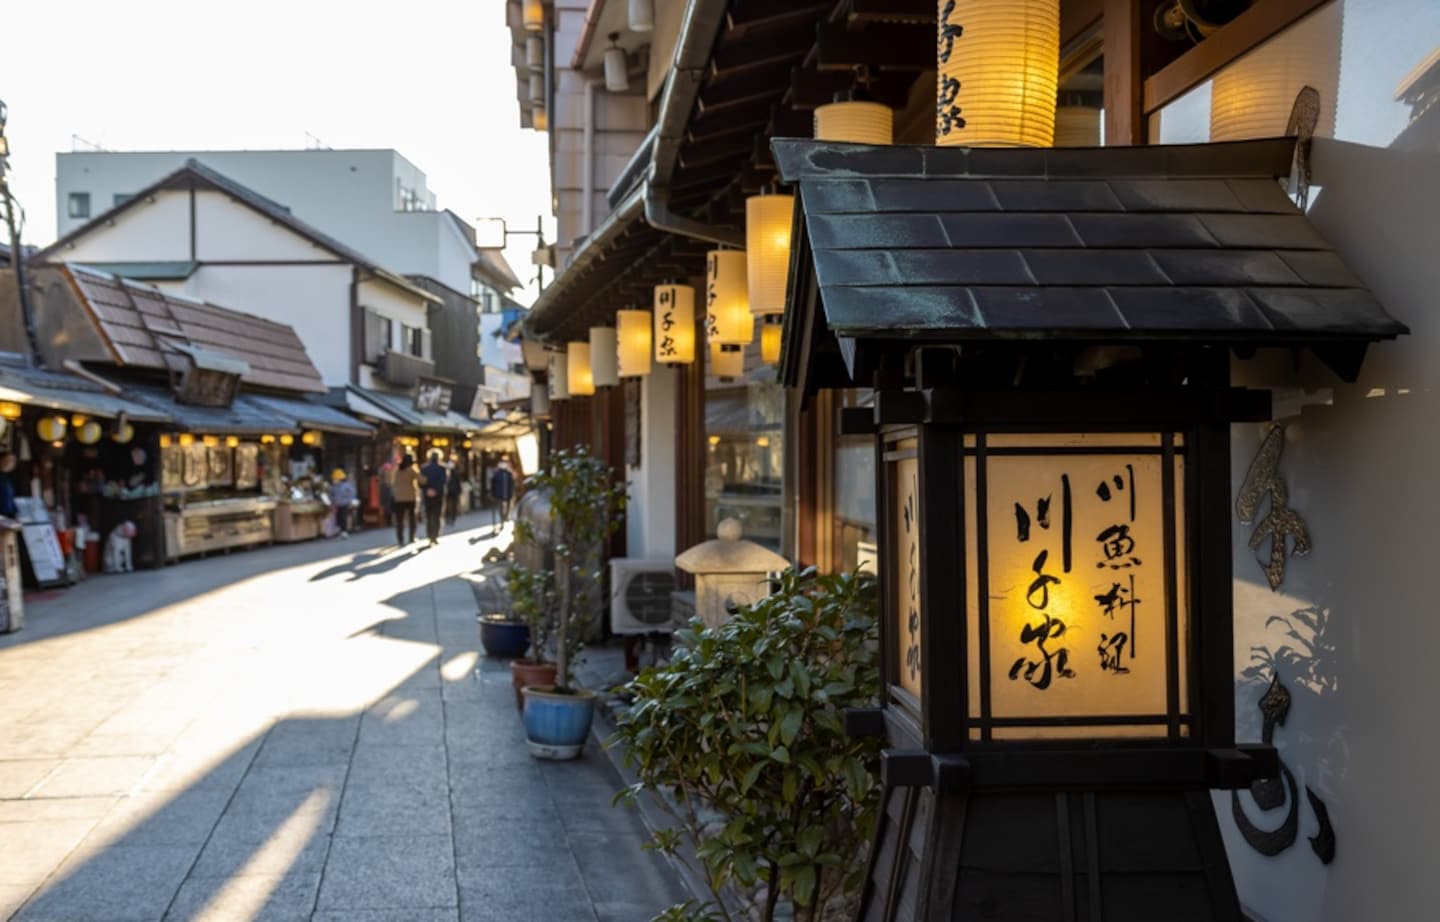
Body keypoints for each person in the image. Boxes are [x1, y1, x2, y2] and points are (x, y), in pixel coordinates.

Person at [419, 449, 449, 546]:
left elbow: (421, 482)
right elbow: (443, 481)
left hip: (427, 495)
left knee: (428, 516)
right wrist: (435, 490)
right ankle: (435, 536)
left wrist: (427, 490)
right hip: (438, 495)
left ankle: (430, 536)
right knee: (437, 515)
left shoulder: (424, 468)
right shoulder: (442, 468)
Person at [389, 454, 420, 546]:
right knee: (412, 519)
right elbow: (422, 480)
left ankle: (400, 540)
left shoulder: (396, 470)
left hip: (398, 498)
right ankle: (411, 537)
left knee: (399, 520)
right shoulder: (411, 470)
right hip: (410, 497)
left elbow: (392, 482)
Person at [329, 469, 357, 538]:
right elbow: (331, 495)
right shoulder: (334, 487)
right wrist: (332, 501)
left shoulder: (346, 485)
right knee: (338, 518)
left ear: (339, 479)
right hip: (337, 505)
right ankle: (340, 531)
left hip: (344, 504)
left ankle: (344, 531)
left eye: (335, 479)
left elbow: (352, 493)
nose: (334, 480)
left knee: (343, 517)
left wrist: (349, 500)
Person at [490, 456, 516, 527]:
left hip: (508, 493)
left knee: (508, 507)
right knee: (500, 507)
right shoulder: (496, 474)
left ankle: (505, 516)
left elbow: (513, 483)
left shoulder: (509, 473)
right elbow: (493, 484)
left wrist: (513, 492)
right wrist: (493, 494)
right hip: (499, 494)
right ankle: (502, 519)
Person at [443, 454, 462, 527]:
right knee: (451, 504)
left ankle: (450, 518)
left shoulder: (451, 469)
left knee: (450, 504)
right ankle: (451, 518)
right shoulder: (452, 469)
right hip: (451, 489)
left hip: (450, 489)